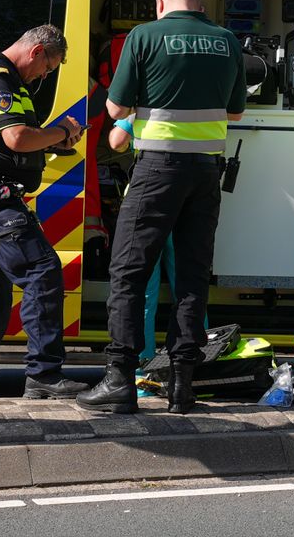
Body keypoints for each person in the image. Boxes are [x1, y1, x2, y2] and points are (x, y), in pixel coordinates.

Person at [78, 0, 245, 415]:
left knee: (130, 272)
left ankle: (119, 380)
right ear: (200, 4)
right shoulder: (227, 40)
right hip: (207, 171)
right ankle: (183, 386)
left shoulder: (144, 36)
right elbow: (235, 108)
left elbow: (114, 109)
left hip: (157, 170)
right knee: (192, 278)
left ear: (160, 4)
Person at [0, 25, 87, 399]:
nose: (44, 75)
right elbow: (17, 137)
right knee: (42, 270)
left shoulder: (8, 81)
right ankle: (43, 374)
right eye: (48, 67)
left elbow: (14, 143)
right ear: (37, 51)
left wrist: (53, 141)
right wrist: (59, 132)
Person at [106, 117, 187, 398]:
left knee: (140, 291)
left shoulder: (148, 96)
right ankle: (191, 373)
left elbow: (116, 142)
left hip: (147, 199)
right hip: (189, 199)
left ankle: (142, 375)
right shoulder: (203, 93)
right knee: (189, 290)